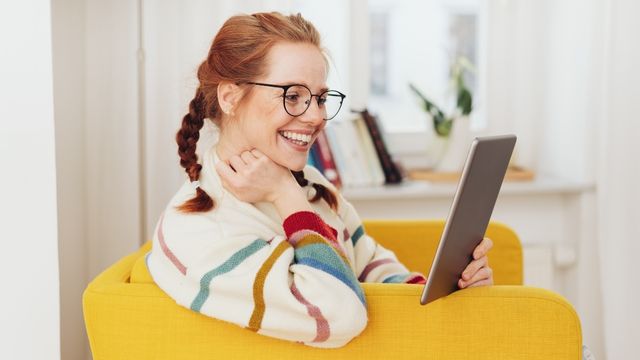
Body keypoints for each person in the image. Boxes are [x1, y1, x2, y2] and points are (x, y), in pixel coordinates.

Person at [146, 11, 493, 348]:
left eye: (321, 98)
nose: (316, 117)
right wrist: (285, 195)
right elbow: (339, 315)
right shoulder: (198, 230)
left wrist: (446, 292)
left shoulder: (311, 185)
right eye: (293, 96)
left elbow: (367, 262)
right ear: (230, 97)